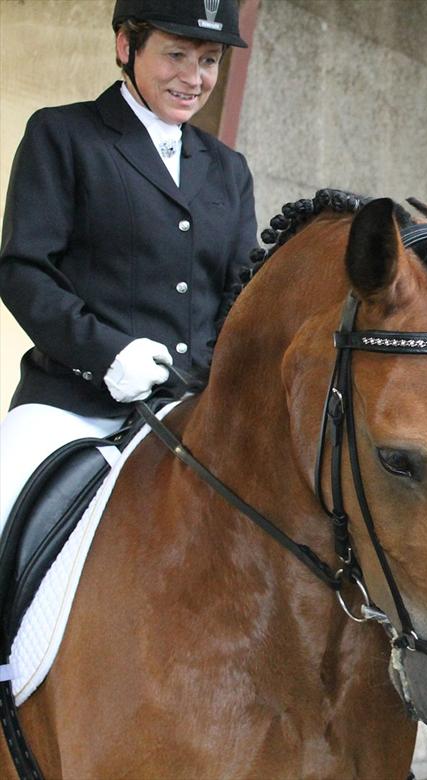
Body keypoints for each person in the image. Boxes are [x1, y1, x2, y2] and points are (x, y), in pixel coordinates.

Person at [0, 0, 255, 531]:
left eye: (209, 60)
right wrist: (107, 354)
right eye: (176, 55)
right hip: (73, 407)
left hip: (192, 414)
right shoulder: (63, 135)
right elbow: (25, 271)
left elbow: (239, 293)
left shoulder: (229, 170)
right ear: (126, 46)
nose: (194, 78)